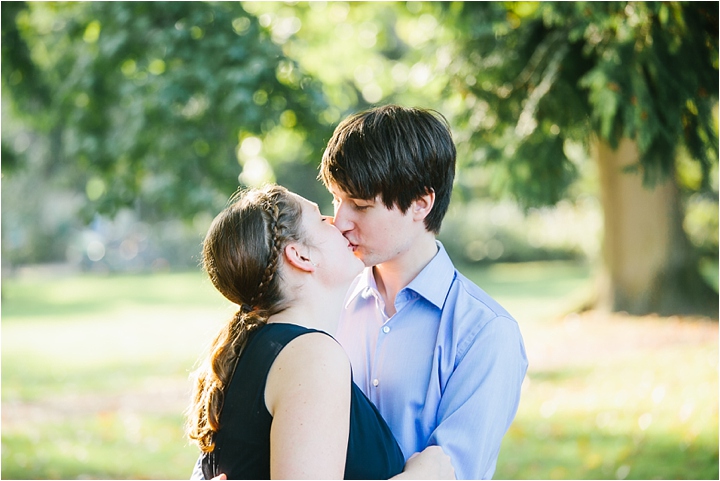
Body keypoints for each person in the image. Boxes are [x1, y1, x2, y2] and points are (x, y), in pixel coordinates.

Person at [186, 184, 454, 480]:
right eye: (321, 219)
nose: (338, 223)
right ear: (300, 256)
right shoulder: (312, 357)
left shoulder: (255, 350)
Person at [318, 104, 528, 480]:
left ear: (421, 203)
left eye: (361, 206)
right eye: (337, 199)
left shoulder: (486, 333)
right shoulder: (323, 303)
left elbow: (452, 471)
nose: (341, 221)